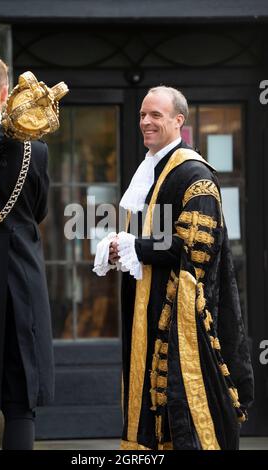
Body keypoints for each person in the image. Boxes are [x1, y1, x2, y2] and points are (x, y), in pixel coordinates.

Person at [106, 86, 254, 450]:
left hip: (178, 314)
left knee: (180, 410)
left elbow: (195, 247)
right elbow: (148, 235)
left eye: (155, 115)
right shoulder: (150, 170)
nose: (145, 122)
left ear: (178, 121)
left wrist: (134, 246)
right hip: (147, 307)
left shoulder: (193, 175)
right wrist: (118, 248)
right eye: (142, 114)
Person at [0, 54, 54, 450]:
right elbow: (38, 213)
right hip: (18, 281)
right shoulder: (34, 151)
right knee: (21, 403)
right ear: (6, 93)